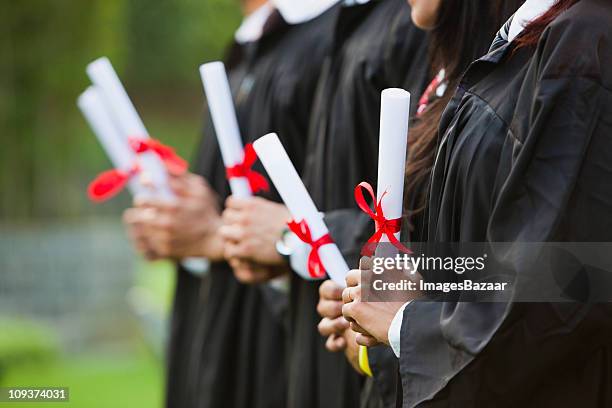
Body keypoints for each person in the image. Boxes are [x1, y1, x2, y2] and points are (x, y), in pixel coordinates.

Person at [343, 0, 612, 406]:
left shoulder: (587, 41)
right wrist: (419, 279)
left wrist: (405, 323)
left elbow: (567, 278)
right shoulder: (534, 31)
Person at [123, 0, 339, 407]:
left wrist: (223, 236)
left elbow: (387, 249)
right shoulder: (248, 47)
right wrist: (176, 226)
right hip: (213, 348)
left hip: (285, 367)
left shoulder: (343, 42)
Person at [220, 0, 429, 407]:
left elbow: (434, 227)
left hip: (381, 361)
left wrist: (295, 239)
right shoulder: (348, 25)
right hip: (322, 334)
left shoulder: (409, 23)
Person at [316, 0, 522, 406]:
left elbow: (525, 281)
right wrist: (371, 330)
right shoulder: (442, 71)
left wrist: (403, 322)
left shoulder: (516, 89)